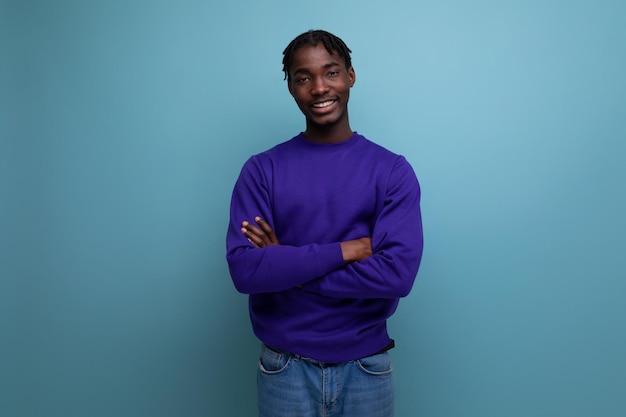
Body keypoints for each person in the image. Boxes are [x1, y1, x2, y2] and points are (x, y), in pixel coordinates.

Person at [226, 29, 423, 417]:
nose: (319, 88)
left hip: (366, 366)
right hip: (284, 368)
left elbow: (396, 276)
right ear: (291, 87)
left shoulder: (391, 171)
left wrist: (286, 265)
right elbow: (245, 271)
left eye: (330, 73)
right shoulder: (262, 170)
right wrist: (346, 250)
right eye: (303, 78)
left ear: (350, 75)